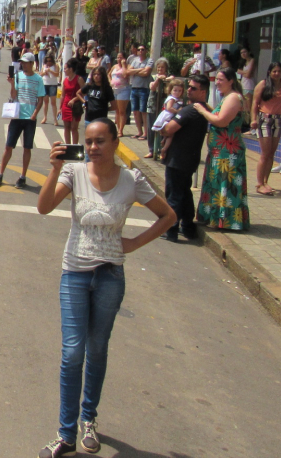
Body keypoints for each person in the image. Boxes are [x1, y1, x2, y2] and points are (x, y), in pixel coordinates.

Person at [35, 119, 176, 458]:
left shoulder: (131, 180)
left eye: (101, 141)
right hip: (75, 273)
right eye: (89, 141)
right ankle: (65, 433)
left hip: (111, 276)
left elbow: (168, 216)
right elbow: (43, 207)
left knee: (97, 350)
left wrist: (134, 243)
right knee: (72, 354)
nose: (94, 147)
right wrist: (54, 170)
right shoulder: (74, 173)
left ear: (116, 142)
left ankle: (89, 420)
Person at [194, 68, 250, 231]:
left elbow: (221, 121)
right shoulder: (226, 97)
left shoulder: (233, 97)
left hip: (228, 153)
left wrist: (203, 111)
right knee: (217, 183)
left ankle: (226, 220)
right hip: (220, 150)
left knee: (224, 184)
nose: (217, 83)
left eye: (220, 80)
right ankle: (214, 217)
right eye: (216, 79)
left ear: (231, 81)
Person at [159, 75, 211, 241]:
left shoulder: (191, 110)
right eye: (189, 86)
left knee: (174, 195)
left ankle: (171, 229)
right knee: (184, 193)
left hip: (179, 159)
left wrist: (163, 130)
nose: (189, 89)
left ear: (203, 92)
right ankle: (188, 227)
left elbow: (169, 129)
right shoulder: (204, 110)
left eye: (193, 88)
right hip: (189, 159)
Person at [0, 52, 46, 189]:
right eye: (21, 62)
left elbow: (40, 100)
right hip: (17, 116)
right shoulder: (18, 76)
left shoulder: (38, 79)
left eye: (25, 62)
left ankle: (22, 176)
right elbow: (13, 95)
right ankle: (0, 174)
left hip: (30, 118)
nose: (22, 64)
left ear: (31, 64)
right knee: (8, 146)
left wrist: (35, 114)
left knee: (27, 148)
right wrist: (12, 84)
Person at [250, 62, 281, 196]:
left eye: (279, 71)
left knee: (271, 153)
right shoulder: (263, 84)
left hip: (278, 119)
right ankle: (259, 183)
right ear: (269, 72)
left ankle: (266, 182)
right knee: (265, 153)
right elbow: (255, 103)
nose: (277, 74)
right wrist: (253, 119)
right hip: (264, 119)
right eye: (274, 71)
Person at [144, 60, 170, 159]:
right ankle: (151, 150)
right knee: (151, 127)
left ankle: (162, 150)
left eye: (162, 67)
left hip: (164, 106)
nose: (160, 69)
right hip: (153, 105)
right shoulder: (153, 77)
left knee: (163, 127)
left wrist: (166, 79)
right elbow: (152, 87)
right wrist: (158, 80)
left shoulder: (169, 77)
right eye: (158, 67)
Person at [127, 46, 153, 140]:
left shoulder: (149, 61)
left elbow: (146, 73)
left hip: (144, 89)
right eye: (139, 49)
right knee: (135, 111)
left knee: (143, 111)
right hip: (134, 88)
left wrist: (134, 71)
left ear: (146, 51)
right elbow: (128, 71)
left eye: (142, 49)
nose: (140, 51)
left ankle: (146, 133)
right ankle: (139, 132)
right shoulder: (134, 60)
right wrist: (140, 71)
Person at [60, 59, 84, 145]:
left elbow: (83, 93)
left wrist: (74, 99)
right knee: (66, 127)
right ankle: (68, 146)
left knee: (74, 128)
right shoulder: (65, 80)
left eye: (65, 68)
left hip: (75, 106)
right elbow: (63, 95)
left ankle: (74, 147)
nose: (64, 70)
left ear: (71, 69)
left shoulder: (79, 79)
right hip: (66, 105)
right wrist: (60, 108)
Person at [108, 52, 130, 138]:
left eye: (121, 57)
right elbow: (109, 74)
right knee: (116, 110)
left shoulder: (127, 67)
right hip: (114, 90)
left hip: (123, 89)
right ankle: (117, 129)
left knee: (122, 111)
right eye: (118, 57)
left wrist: (124, 65)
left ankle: (121, 130)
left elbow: (125, 74)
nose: (119, 59)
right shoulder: (114, 66)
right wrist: (110, 82)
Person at [39, 54, 60, 125]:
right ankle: (45, 117)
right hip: (45, 84)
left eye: (50, 61)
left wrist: (50, 71)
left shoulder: (56, 66)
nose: (48, 62)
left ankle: (55, 119)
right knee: (46, 102)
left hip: (53, 85)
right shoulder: (44, 65)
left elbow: (57, 74)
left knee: (53, 102)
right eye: (47, 61)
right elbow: (40, 74)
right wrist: (44, 72)